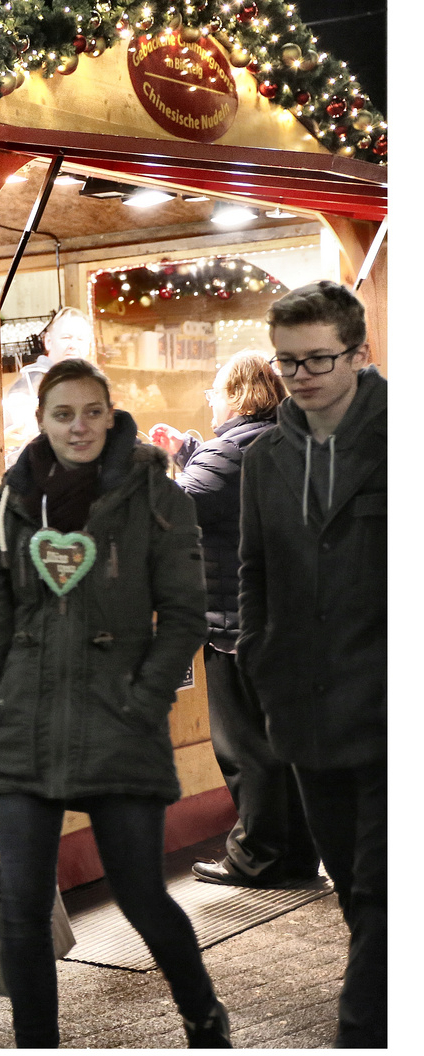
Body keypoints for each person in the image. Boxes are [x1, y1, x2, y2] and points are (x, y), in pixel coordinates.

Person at [0, 360, 229, 1047]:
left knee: (140, 897)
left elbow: (186, 617)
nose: (79, 426)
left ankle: (202, 1016)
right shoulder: (9, 508)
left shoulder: (157, 498)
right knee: (20, 911)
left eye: (91, 411)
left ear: (110, 414)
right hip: (23, 726)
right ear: (39, 421)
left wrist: (143, 698)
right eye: (62, 414)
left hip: (117, 723)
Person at [237, 281, 384, 1047]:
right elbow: (253, 570)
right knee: (353, 889)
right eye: (287, 362)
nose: (300, 376)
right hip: (304, 707)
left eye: (318, 360)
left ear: (358, 353)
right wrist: (261, 658)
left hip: (393, 706)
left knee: (385, 890)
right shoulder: (265, 458)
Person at [170, 351, 320, 888]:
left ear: (237, 392)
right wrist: (190, 452)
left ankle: (258, 857)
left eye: (214, 390)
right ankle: (299, 856)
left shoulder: (231, 446)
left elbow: (176, 507)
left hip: (239, 626)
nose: (209, 399)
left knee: (246, 749)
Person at [3, 307, 95, 464]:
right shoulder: (29, 386)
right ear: (48, 342)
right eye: (66, 338)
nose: (73, 345)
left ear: (88, 346)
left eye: (80, 339)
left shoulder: (93, 386)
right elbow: (17, 442)